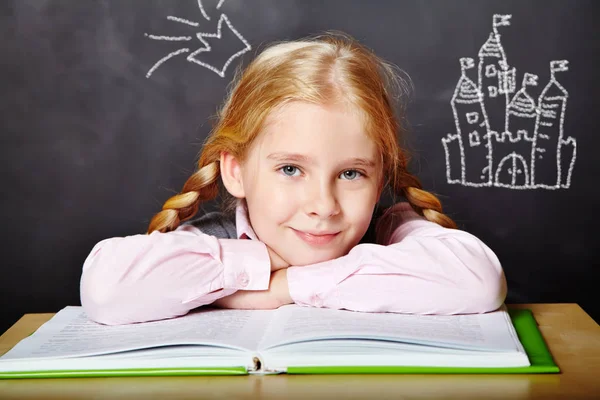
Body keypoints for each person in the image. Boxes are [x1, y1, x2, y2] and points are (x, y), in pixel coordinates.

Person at [80, 33, 506, 325]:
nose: (323, 205)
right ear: (235, 171)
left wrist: (286, 287)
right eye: (290, 169)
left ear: (380, 181)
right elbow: (105, 289)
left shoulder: (391, 230)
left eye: (352, 173)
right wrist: (257, 264)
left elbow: (480, 282)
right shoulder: (211, 246)